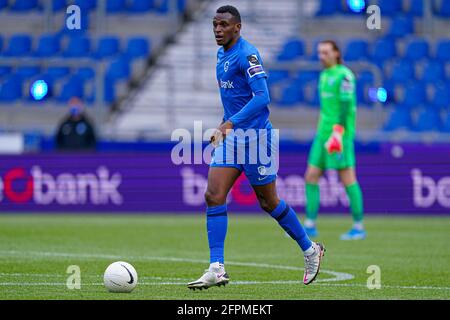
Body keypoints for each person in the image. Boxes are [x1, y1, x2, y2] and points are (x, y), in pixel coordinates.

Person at [187, 5, 325, 290]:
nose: (217, 29)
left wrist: (230, 123)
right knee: (213, 194)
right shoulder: (221, 52)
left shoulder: (247, 55)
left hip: (257, 140)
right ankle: (216, 267)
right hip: (233, 139)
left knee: (268, 202)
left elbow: (262, 98)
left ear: (237, 27)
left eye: (223, 25)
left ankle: (311, 250)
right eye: (215, 24)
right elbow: (233, 98)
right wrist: (225, 124)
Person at [303, 40, 366, 240]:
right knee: (311, 176)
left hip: (339, 135)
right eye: (319, 52)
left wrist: (338, 133)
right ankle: (310, 225)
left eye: (326, 52)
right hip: (322, 135)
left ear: (336, 53)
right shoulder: (323, 75)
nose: (322, 56)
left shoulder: (344, 76)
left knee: (347, 178)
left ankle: (359, 226)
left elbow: (346, 108)